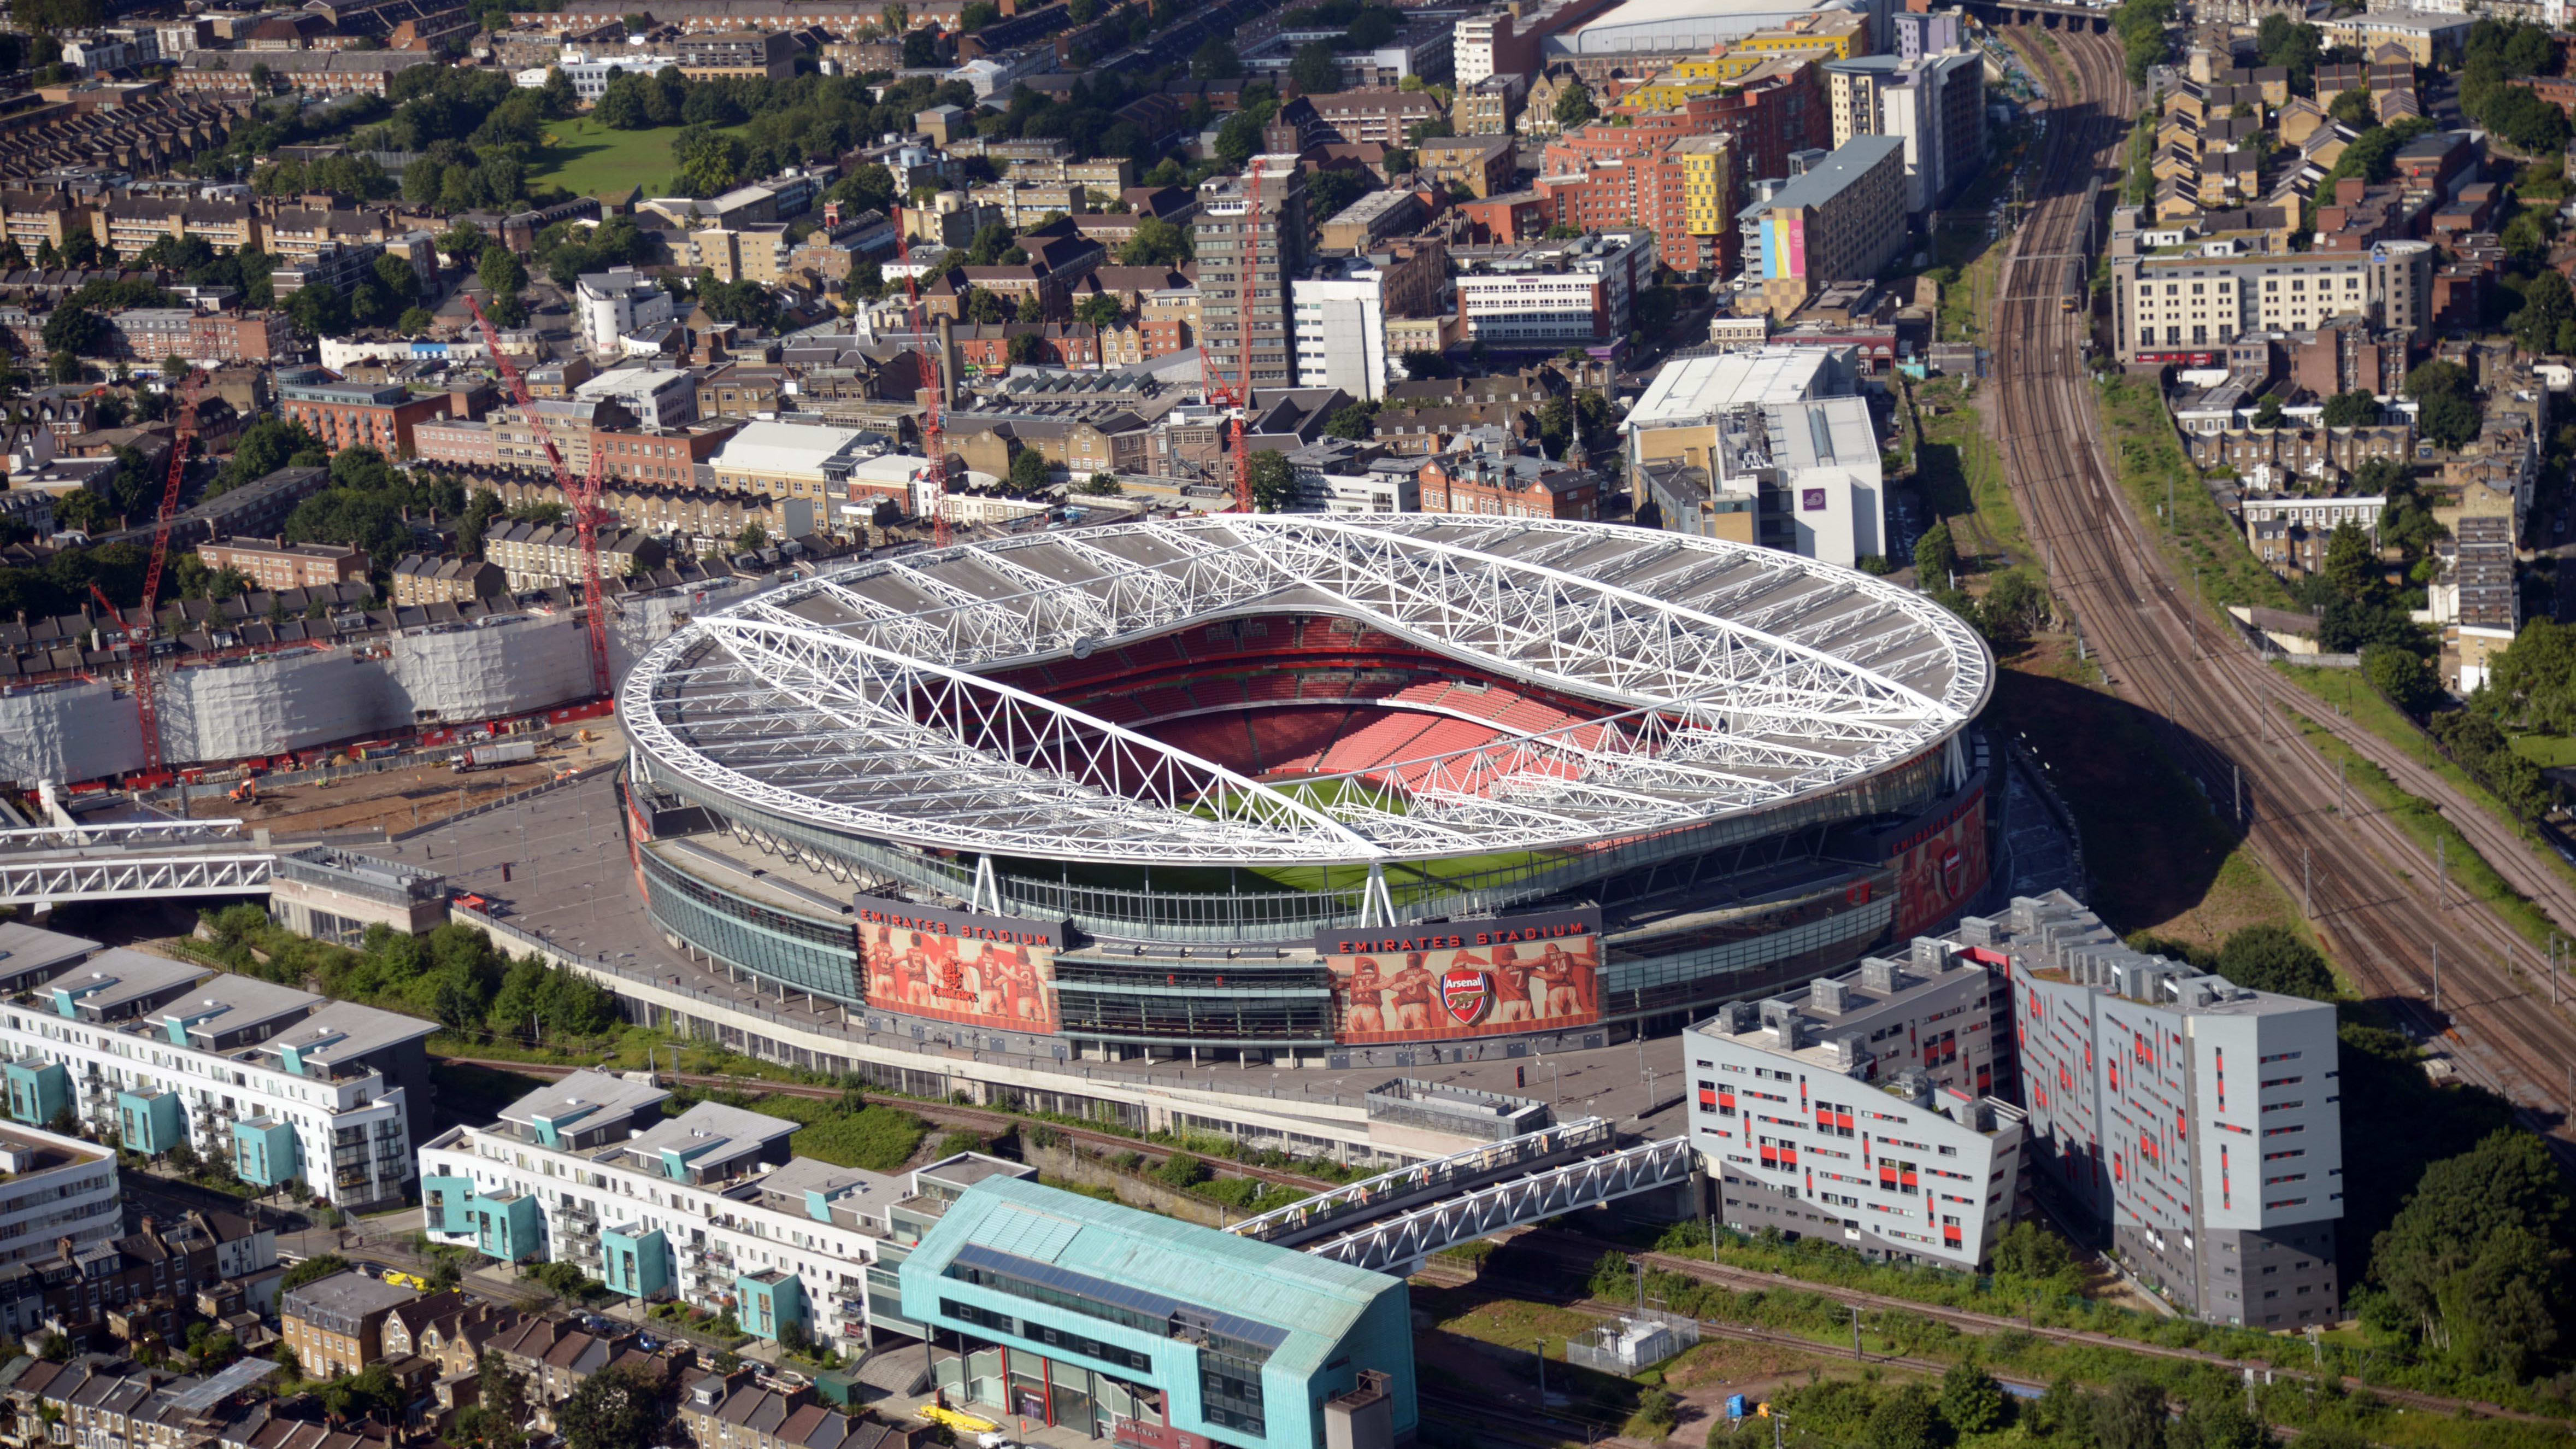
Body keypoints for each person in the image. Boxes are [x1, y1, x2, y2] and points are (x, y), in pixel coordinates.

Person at [1487, 944, 1536, 1024]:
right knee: (1529, 1028)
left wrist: (1466, 965)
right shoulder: (1526, 967)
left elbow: (1480, 968)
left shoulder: (1498, 968)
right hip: (1525, 1002)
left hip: (1509, 1003)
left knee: (1506, 1030)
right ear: (1516, 956)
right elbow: (1546, 976)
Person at [1388, 952, 1435, 1032]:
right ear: (1420, 962)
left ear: (1408, 962)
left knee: (1400, 1035)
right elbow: (1436, 986)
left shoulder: (1399, 974)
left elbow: (1389, 986)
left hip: (1403, 1008)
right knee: (1423, 1034)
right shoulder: (1425, 973)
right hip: (1419, 1006)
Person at [1345, 957, 1387, 1035]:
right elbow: (1390, 984)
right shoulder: (1378, 976)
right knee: (1376, 1038)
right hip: (1371, 1009)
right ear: (1374, 969)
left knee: (1352, 1038)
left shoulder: (1352, 977)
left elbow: (1339, 985)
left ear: (1362, 970)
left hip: (1354, 1010)